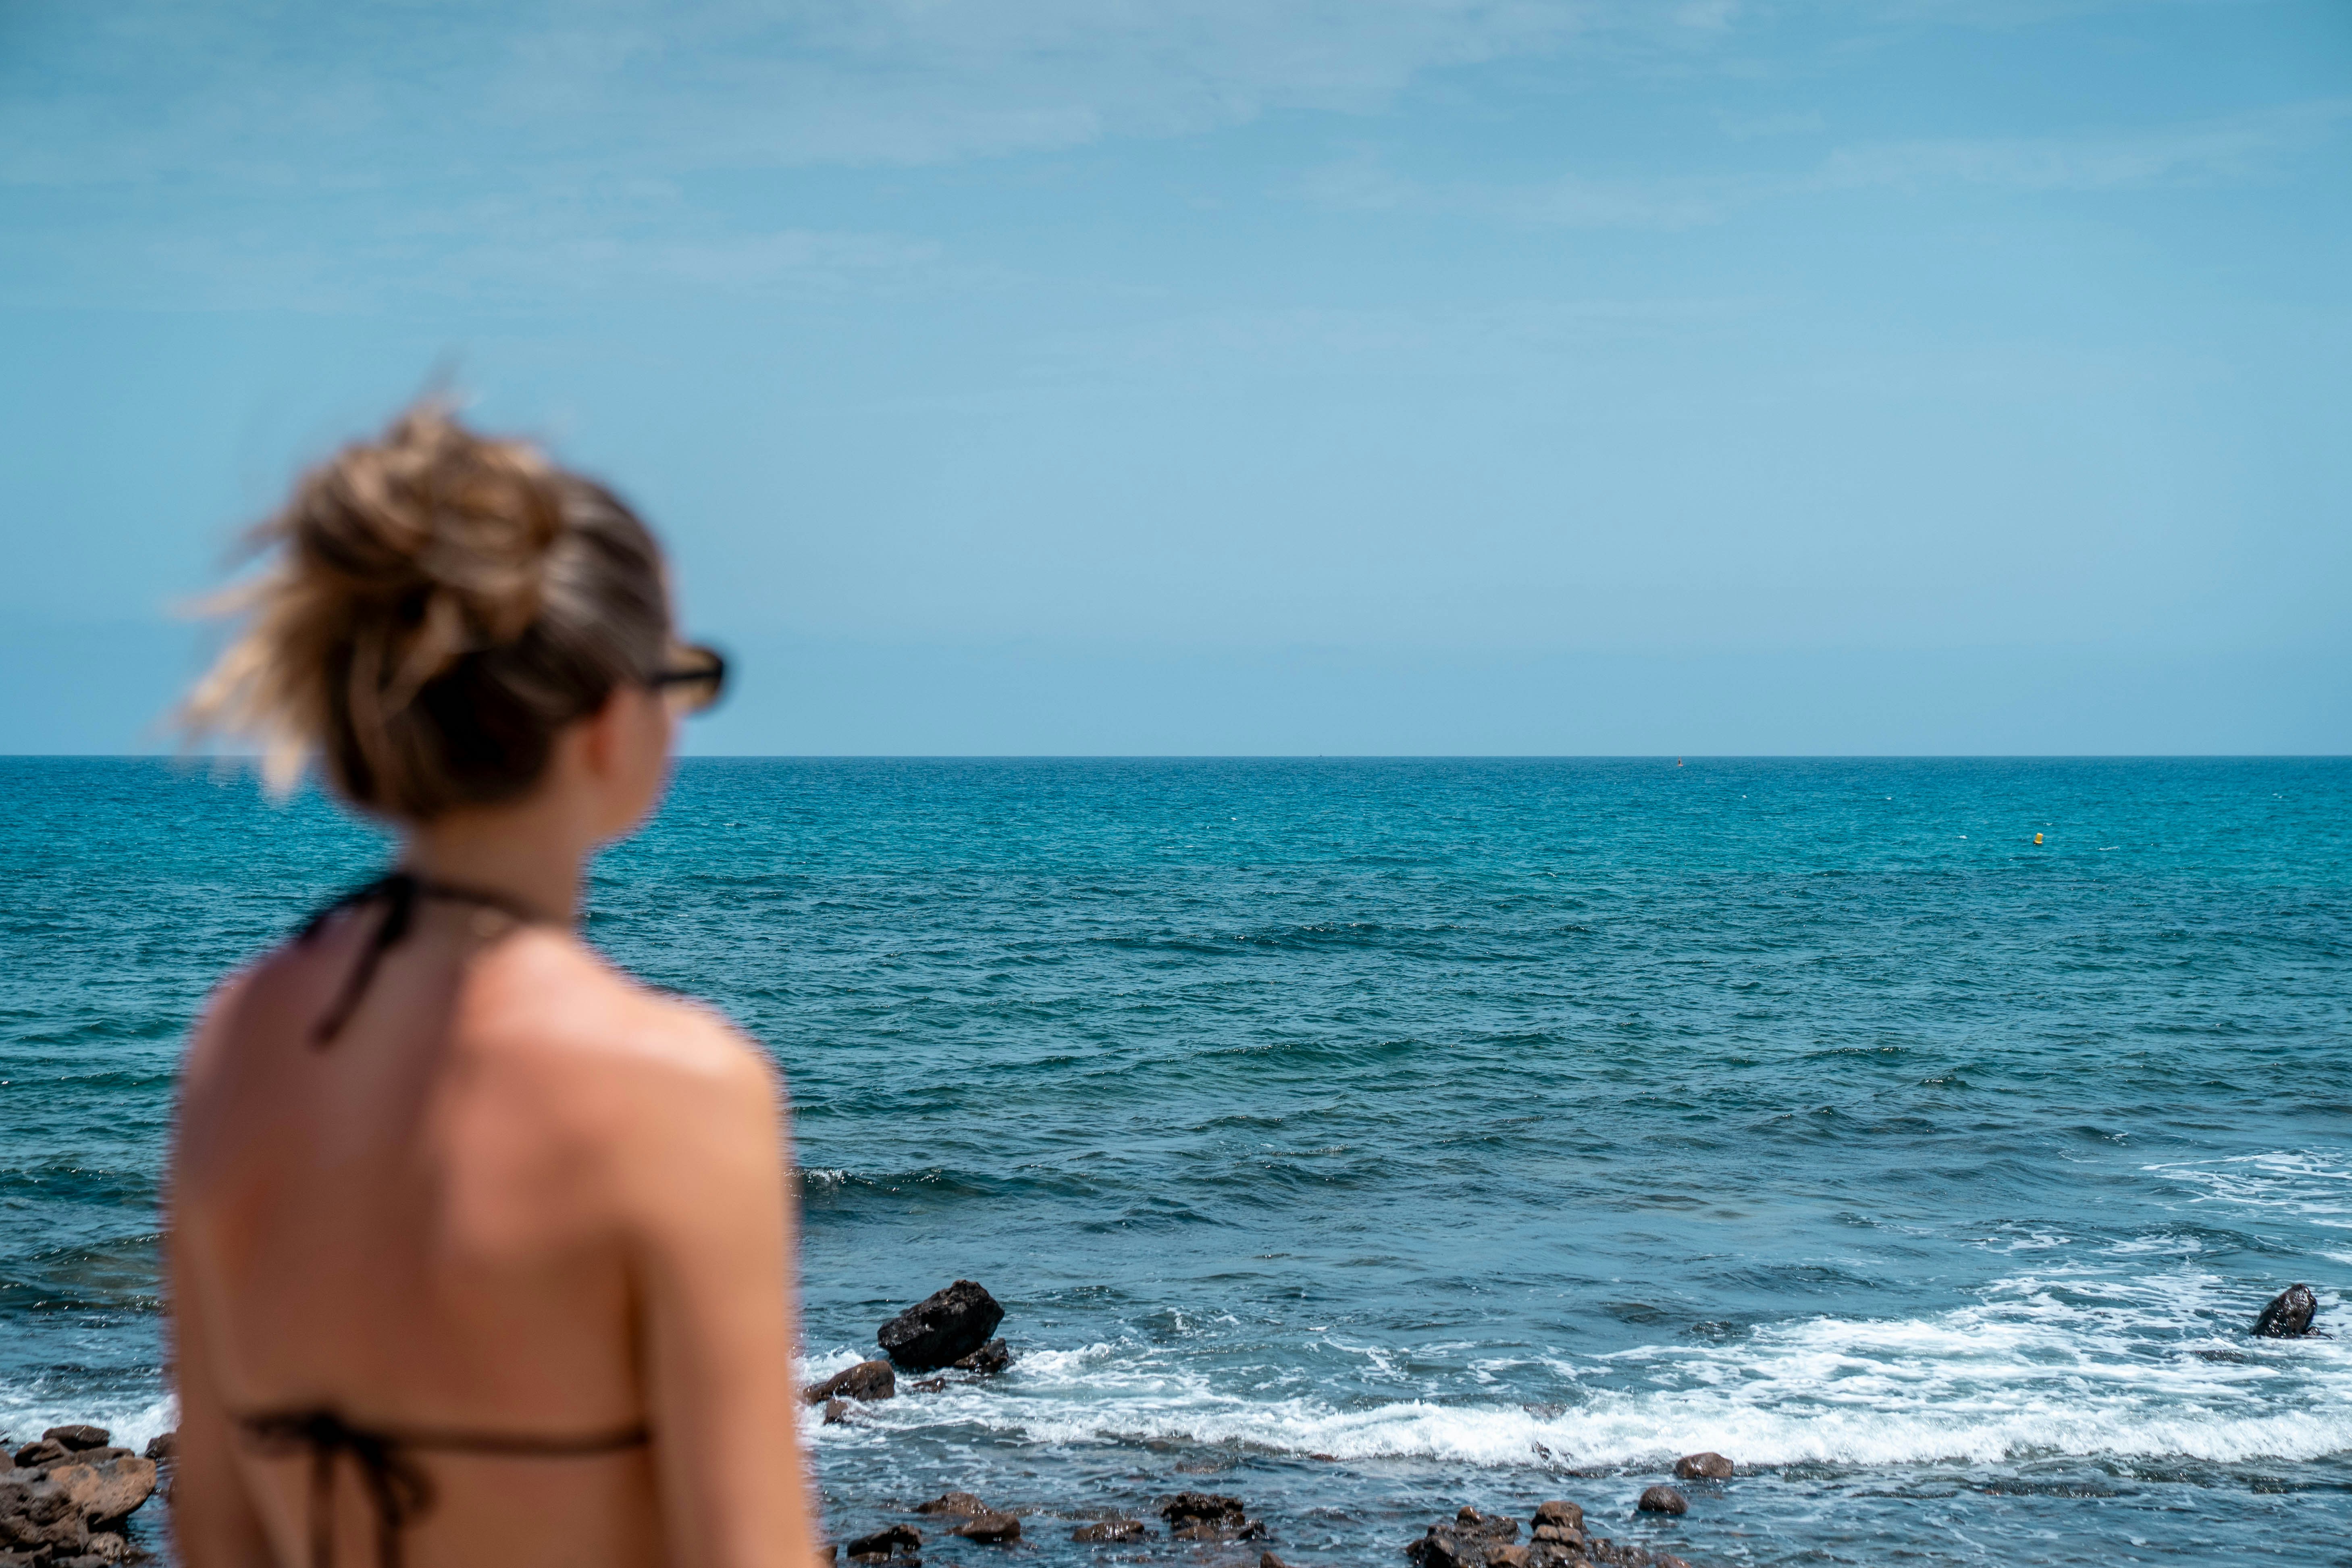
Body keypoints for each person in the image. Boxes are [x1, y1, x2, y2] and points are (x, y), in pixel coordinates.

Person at [166, 403, 819, 1568]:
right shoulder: (682, 1089)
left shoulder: (240, 1035)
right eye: (681, 678)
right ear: (610, 722)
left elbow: (215, 1529)